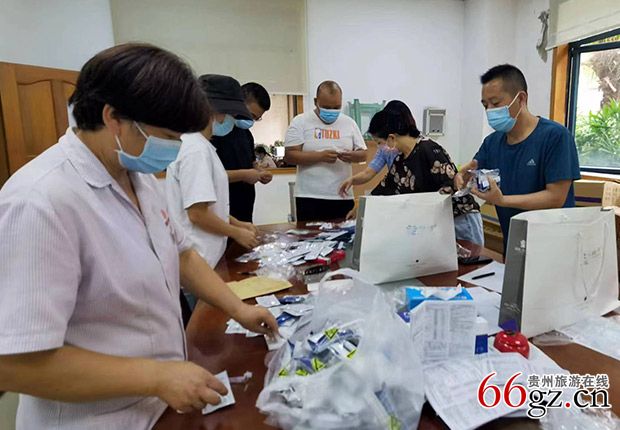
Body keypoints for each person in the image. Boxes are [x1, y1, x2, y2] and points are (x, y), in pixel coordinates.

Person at [0, 44, 277, 429]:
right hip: (95, 420)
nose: (175, 149)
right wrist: (156, 377)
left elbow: (182, 254)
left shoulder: (136, 176)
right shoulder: (39, 202)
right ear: (113, 117)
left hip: (158, 406)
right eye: (167, 136)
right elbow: (13, 364)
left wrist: (238, 309)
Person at [455, 64, 580, 251]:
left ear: (521, 99)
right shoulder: (492, 143)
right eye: (485, 105)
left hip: (554, 247)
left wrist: (502, 200)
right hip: (514, 244)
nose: (489, 111)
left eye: (495, 103)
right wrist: (463, 177)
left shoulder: (556, 136)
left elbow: (556, 197)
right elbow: (474, 173)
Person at [166, 74, 261, 269]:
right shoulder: (196, 149)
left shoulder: (203, 146)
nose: (230, 120)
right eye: (228, 114)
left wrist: (237, 223)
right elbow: (197, 214)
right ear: (213, 112)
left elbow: (209, 207)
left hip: (206, 256)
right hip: (197, 256)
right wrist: (236, 233)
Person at [368, 103, 484, 245]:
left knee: (469, 257)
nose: (380, 148)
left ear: (391, 138)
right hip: (436, 222)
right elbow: (387, 187)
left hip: (459, 219)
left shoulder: (429, 150)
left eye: (379, 142)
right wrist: (365, 206)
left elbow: (450, 186)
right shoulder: (400, 159)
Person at [284, 80, 367, 221]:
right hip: (309, 197)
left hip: (342, 196)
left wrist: (351, 155)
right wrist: (320, 156)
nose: (332, 111)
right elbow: (290, 156)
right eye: (327, 107)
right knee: (310, 234)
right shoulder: (300, 121)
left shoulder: (349, 123)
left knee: (344, 233)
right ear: (316, 101)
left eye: (337, 107)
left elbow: (363, 154)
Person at [210, 82, 273, 222]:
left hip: (244, 208)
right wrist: (244, 175)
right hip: (221, 208)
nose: (251, 120)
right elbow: (209, 176)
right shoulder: (213, 133)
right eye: (251, 114)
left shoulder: (246, 134)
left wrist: (260, 173)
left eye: (257, 118)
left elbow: (252, 163)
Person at [338, 101, 408, 219]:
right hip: (395, 201)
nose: (380, 146)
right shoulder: (385, 149)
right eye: (378, 143)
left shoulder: (419, 149)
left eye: (379, 142)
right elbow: (369, 172)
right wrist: (352, 180)